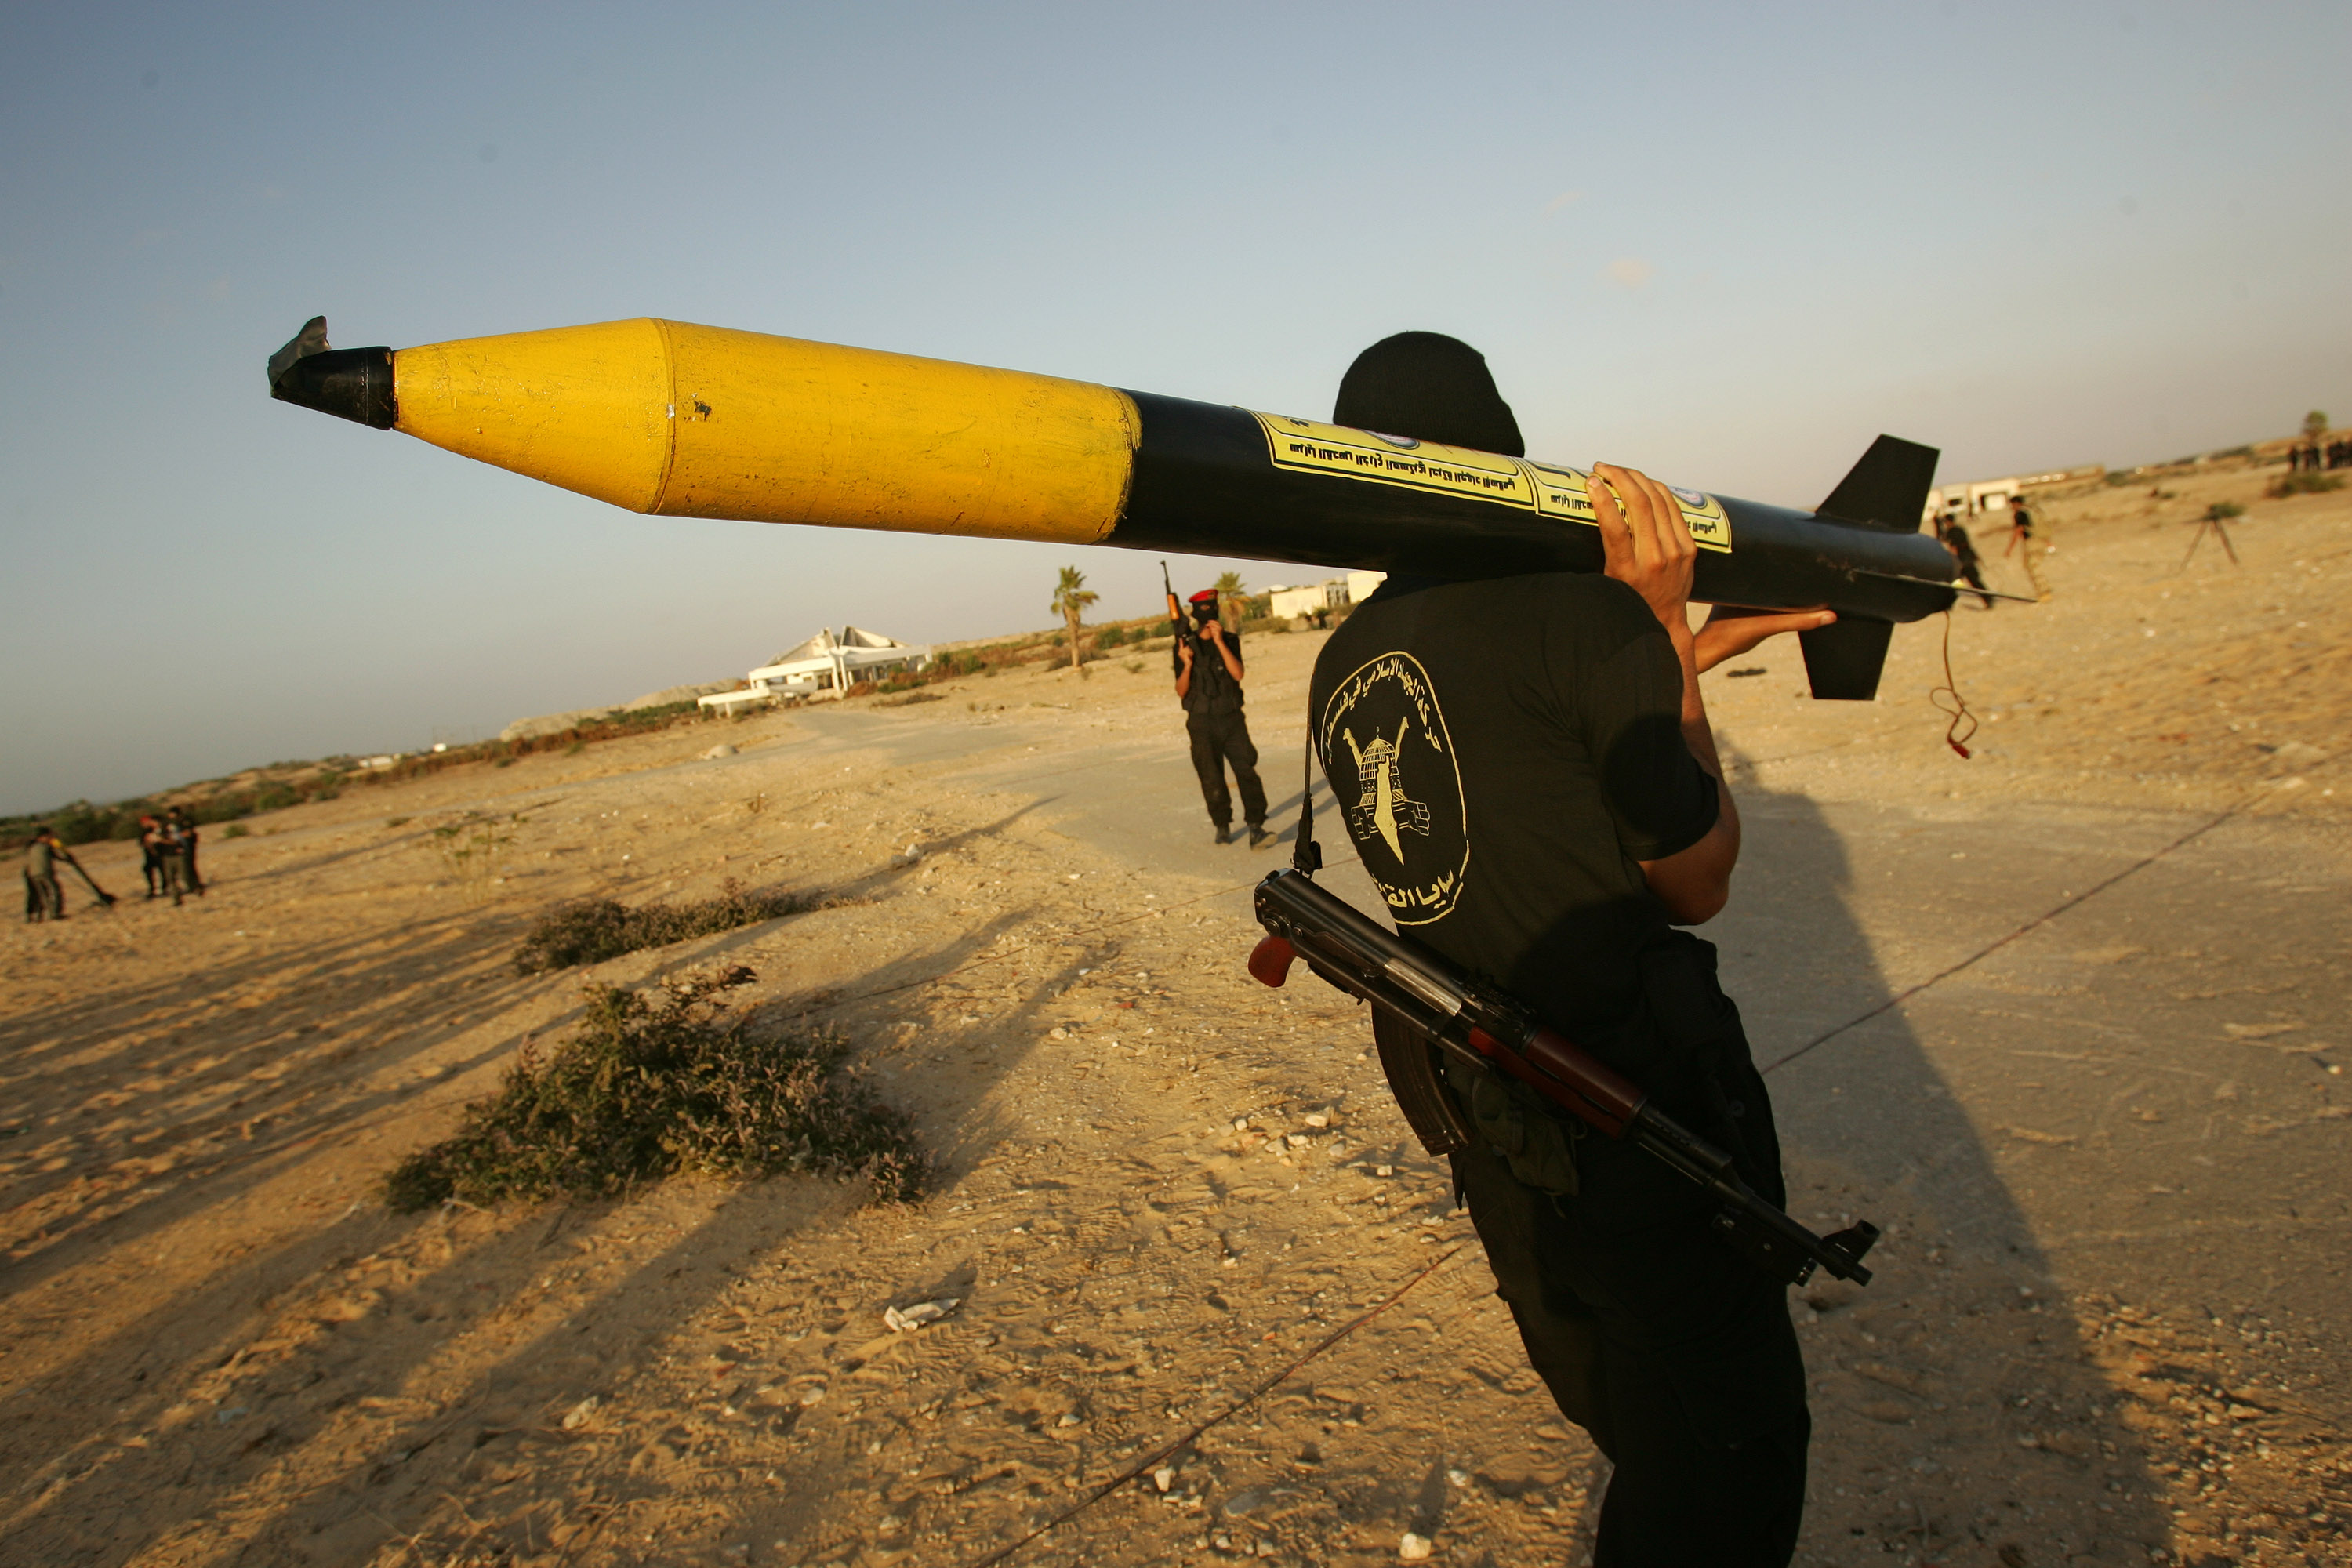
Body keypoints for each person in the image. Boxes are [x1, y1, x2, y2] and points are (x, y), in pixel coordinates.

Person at [1308, 332, 1835, 1566]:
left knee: (1642, 1435)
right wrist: (1655, 622)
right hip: (1638, 1126)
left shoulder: (1342, 663)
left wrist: (1690, 654)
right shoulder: (1588, 617)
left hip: (1501, 1146)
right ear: (1501, 450)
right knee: (1727, 1478)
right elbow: (1696, 878)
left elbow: (1514, 753)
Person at [1171, 585, 1271, 848]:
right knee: (1210, 776)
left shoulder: (1229, 640)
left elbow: (1238, 674)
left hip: (1231, 719)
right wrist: (1188, 663)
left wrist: (1218, 642)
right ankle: (1222, 825)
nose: (1210, 612)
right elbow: (1181, 691)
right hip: (1201, 722)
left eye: (1213, 607)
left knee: (1246, 769)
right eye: (1205, 608)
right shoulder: (1184, 645)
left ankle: (1256, 826)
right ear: (1196, 613)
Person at [1935, 511, 1992, 607]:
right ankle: (1988, 598)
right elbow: (1968, 545)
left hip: (1961, 561)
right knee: (1975, 582)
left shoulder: (1951, 532)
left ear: (1948, 522)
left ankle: (1950, 601)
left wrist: (1954, 561)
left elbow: (1953, 548)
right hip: (1969, 558)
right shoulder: (1961, 529)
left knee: (1954, 582)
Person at [2004, 493, 2051, 601]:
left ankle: (2044, 593)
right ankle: (2045, 589)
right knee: (2035, 566)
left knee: (2033, 567)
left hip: (2031, 543)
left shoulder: (2020, 514)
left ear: (2016, 503)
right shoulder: (2031, 511)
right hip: (2040, 541)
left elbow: (2018, 531)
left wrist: (2009, 549)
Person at [23, 826, 71, 923]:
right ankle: (55, 914)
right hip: (44, 873)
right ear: (43, 836)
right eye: (49, 836)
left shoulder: (32, 847)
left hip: (33, 874)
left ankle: (42, 915)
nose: (51, 837)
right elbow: (59, 856)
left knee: (43, 895)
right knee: (55, 891)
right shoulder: (46, 846)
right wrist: (67, 857)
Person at [165, 806, 205, 898]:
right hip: (184, 847)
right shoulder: (176, 822)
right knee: (187, 867)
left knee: (190, 866)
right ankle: (194, 886)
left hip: (188, 846)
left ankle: (196, 885)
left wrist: (176, 836)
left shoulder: (185, 820)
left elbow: (189, 833)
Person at [138, 815, 168, 898]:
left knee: (163, 872)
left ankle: (164, 888)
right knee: (147, 870)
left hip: (159, 855)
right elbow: (141, 843)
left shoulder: (157, 829)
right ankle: (152, 889)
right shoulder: (144, 832)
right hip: (150, 856)